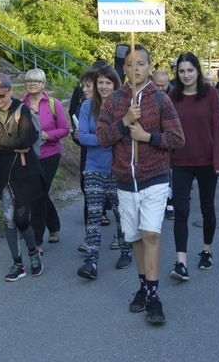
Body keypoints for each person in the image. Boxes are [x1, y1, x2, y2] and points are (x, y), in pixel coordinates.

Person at [98, 44, 185, 325]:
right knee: (134, 237)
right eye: (130, 64)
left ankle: (154, 296)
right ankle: (144, 287)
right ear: (123, 69)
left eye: (141, 64)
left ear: (149, 67)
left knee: (151, 234)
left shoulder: (161, 99)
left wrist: (148, 137)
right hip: (124, 180)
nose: (135, 69)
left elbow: (176, 139)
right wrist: (124, 122)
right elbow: (103, 138)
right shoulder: (112, 101)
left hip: (154, 178)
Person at [168, 52, 219, 281]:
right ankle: (181, 263)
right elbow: (167, 129)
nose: (186, 75)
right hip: (180, 162)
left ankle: (206, 250)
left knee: (207, 208)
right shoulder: (173, 96)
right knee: (180, 212)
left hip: (207, 161)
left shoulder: (210, 94)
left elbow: (218, 128)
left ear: (197, 71)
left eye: (190, 70)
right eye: (181, 71)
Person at [0, 73, 44, 281]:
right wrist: (9, 142)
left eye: (1, 95)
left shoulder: (22, 109)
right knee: (8, 219)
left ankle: (33, 252)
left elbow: (25, 141)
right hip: (3, 173)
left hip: (25, 173)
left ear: (10, 91)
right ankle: (18, 264)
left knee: (21, 219)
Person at [77, 65, 133, 279]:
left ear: (115, 84)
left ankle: (126, 251)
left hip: (117, 168)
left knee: (121, 214)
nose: (103, 86)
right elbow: (83, 137)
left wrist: (102, 138)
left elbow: (127, 136)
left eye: (108, 82)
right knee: (93, 214)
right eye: (100, 82)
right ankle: (90, 260)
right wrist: (109, 138)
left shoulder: (123, 106)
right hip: (93, 168)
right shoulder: (87, 106)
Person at [23, 68, 70, 251]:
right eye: (29, 81)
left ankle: (37, 240)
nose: (32, 84)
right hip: (29, 155)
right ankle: (54, 226)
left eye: (36, 81)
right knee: (40, 193)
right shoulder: (21, 104)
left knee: (39, 194)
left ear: (43, 84)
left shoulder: (53, 103)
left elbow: (65, 130)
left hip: (50, 154)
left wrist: (47, 135)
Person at [152, 68, 175, 220]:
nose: (160, 89)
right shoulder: (147, 96)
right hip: (152, 139)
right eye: (157, 85)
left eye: (163, 86)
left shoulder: (173, 96)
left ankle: (170, 203)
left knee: (169, 173)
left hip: (169, 139)